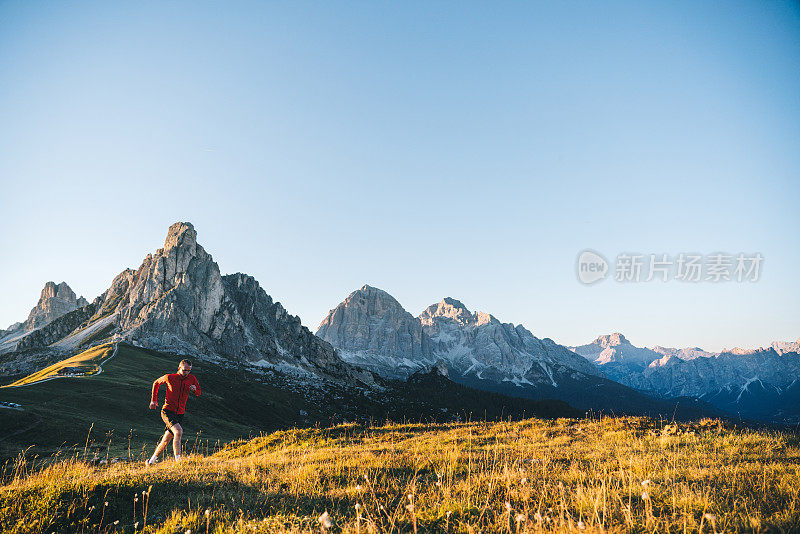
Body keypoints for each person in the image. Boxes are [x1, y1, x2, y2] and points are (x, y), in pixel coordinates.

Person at [146, 359, 201, 465]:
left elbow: (198, 392)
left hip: (180, 413)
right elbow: (156, 383)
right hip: (167, 411)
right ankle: (178, 462)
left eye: (189, 371)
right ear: (179, 368)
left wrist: (194, 390)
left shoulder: (192, 378)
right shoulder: (170, 377)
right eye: (185, 370)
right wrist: (153, 400)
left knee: (166, 440)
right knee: (178, 432)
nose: (187, 373)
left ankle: (151, 461)